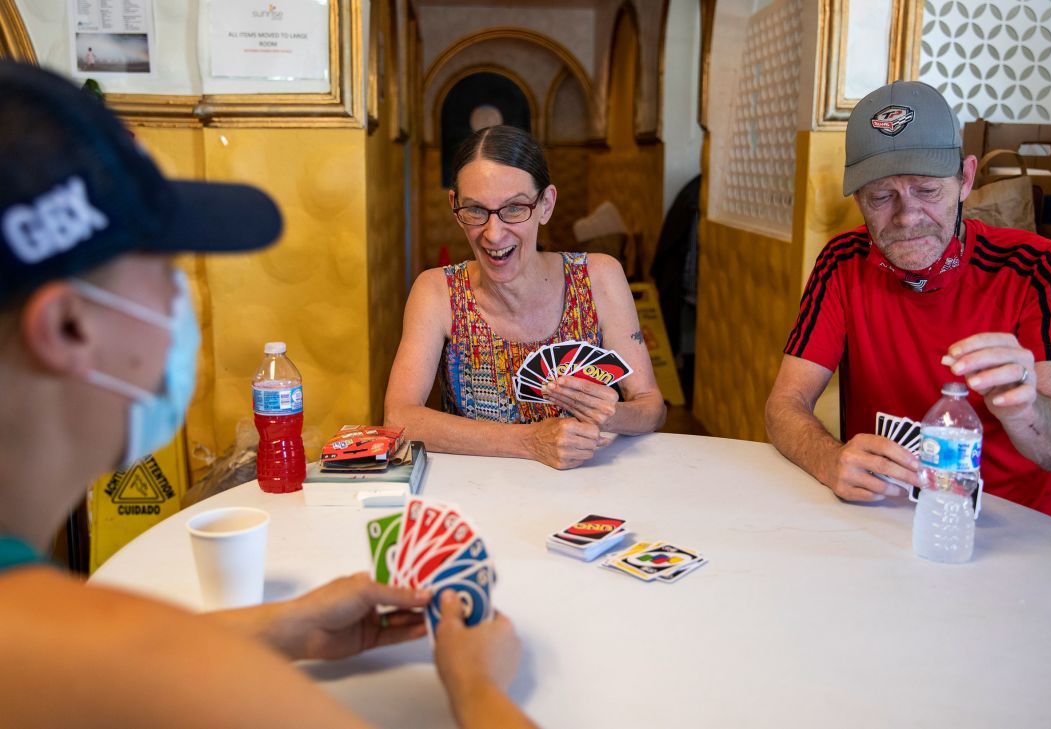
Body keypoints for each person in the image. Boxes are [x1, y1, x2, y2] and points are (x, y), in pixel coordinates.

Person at [0, 60, 536, 729]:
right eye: (162, 269)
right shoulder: (99, 657)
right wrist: (478, 685)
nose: (179, 301)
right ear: (67, 326)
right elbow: (121, 666)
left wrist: (279, 628)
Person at [765, 80, 1051, 523]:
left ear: (965, 179)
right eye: (881, 196)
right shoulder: (841, 262)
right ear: (859, 198)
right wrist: (827, 458)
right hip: (885, 516)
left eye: (927, 191)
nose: (907, 216)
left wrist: (1026, 406)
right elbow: (784, 405)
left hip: (1017, 524)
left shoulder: (1038, 266)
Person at [385, 125, 666, 470]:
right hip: (478, 492)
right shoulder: (436, 292)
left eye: (514, 208)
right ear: (454, 206)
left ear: (545, 204)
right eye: (475, 210)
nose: (493, 233)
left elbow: (651, 407)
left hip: (585, 487)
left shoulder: (599, 278)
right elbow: (400, 417)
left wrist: (614, 414)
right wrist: (531, 441)